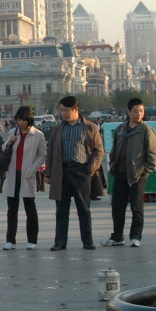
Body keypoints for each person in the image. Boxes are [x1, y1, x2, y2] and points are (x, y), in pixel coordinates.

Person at [44, 96, 104, 251]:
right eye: (61, 110)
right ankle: (60, 242)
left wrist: (90, 169)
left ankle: (87, 240)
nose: (63, 113)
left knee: (83, 209)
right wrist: (48, 173)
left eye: (66, 110)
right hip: (61, 173)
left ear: (75, 109)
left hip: (81, 172)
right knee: (61, 211)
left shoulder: (90, 127)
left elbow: (99, 151)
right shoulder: (57, 129)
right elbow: (50, 152)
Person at [101, 99, 156, 248]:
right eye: (136, 111)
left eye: (141, 111)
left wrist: (145, 171)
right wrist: (112, 164)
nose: (139, 114)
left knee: (137, 207)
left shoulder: (146, 130)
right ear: (128, 112)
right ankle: (117, 237)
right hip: (120, 173)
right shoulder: (121, 129)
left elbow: (153, 154)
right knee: (117, 206)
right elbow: (114, 149)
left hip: (137, 175)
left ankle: (135, 236)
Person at [2, 106, 47, 250]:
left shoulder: (37, 135)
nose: (20, 123)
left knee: (30, 208)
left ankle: (32, 240)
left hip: (27, 174)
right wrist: (10, 142)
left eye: (23, 119)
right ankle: (10, 240)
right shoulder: (13, 132)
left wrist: (33, 169)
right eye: (18, 120)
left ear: (29, 119)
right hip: (13, 173)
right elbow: (4, 148)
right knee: (12, 209)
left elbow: (42, 154)